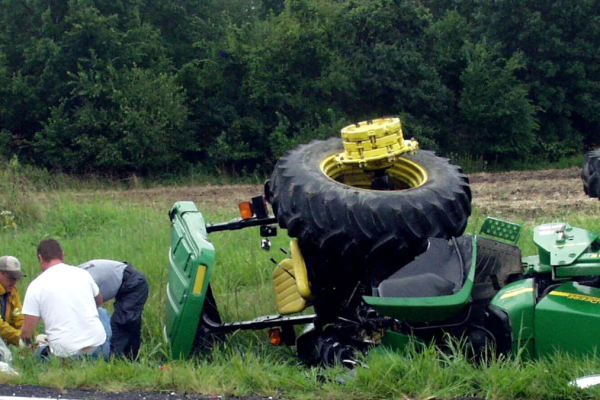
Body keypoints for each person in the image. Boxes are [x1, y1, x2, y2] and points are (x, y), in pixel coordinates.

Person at [21, 239, 111, 359]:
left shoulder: (35, 286)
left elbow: (27, 333)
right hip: (99, 350)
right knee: (102, 312)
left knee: (38, 354)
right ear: (62, 255)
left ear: (40, 258)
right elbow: (98, 301)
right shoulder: (82, 274)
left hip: (66, 356)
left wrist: (30, 347)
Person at [78, 259, 148, 359]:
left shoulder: (79, 284)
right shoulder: (75, 275)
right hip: (125, 279)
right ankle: (131, 359)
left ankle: (115, 360)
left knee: (121, 324)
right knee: (130, 325)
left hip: (133, 283)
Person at [0, 256, 25, 347]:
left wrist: (29, 337)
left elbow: (19, 318)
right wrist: (19, 337)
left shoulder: (13, 292)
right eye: (11, 278)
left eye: (16, 278)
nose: (14, 282)